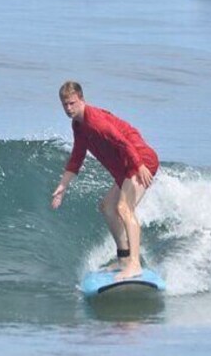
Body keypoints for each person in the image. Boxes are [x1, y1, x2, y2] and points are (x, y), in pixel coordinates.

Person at [51, 81, 159, 281]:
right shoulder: (79, 125)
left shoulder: (95, 121)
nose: (68, 108)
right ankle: (124, 259)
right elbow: (77, 156)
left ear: (82, 99)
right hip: (126, 166)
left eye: (72, 103)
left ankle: (135, 265)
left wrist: (140, 165)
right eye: (64, 105)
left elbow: (122, 141)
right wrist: (62, 186)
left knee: (124, 208)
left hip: (140, 159)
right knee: (107, 207)